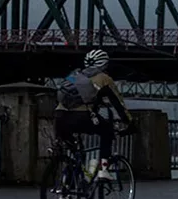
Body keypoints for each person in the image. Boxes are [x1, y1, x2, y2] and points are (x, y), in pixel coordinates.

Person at [55, 48, 132, 178]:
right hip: (82, 117)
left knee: (76, 153)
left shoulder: (74, 75)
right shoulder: (104, 78)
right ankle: (103, 170)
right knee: (107, 131)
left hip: (60, 117)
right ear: (104, 64)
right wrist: (129, 123)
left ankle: (66, 187)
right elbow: (118, 104)